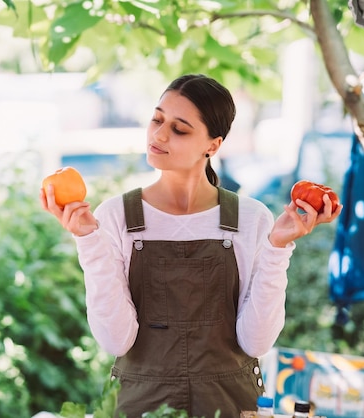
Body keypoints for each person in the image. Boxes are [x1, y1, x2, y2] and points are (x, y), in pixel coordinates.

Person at [41, 74, 342, 417]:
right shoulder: (114, 217)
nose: (159, 134)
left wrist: (278, 248)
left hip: (230, 404)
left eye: (179, 129)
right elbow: (116, 341)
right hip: (142, 405)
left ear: (212, 145)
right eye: (157, 119)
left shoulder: (249, 218)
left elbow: (255, 343)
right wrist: (88, 240)